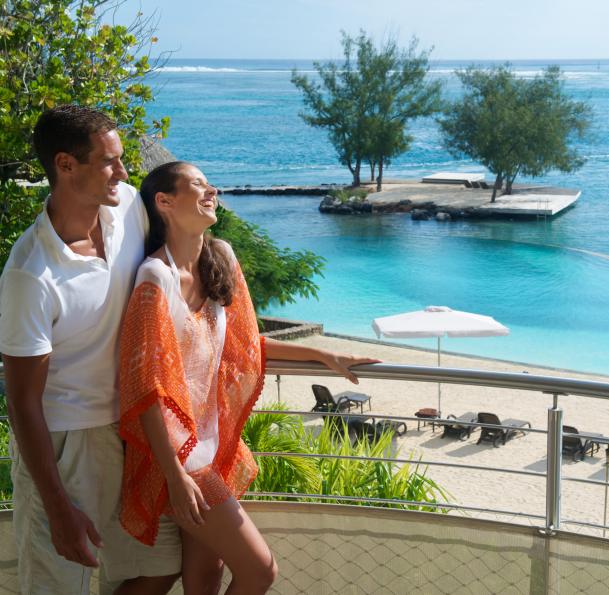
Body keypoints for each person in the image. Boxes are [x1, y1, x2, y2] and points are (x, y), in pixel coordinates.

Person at [118, 160, 378, 594]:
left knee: (206, 575)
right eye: (198, 185)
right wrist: (175, 476)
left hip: (213, 445)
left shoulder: (219, 257)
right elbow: (146, 387)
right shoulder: (155, 279)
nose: (212, 191)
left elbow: (244, 344)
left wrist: (321, 353)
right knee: (260, 570)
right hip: (180, 459)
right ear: (164, 201)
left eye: (210, 185)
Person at [0, 106, 180, 593]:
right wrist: (58, 508)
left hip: (134, 427)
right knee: (61, 585)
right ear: (65, 165)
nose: (123, 171)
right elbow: (22, 402)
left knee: (158, 565)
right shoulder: (30, 274)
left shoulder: (128, 208)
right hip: (67, 445)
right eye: (109, 161)